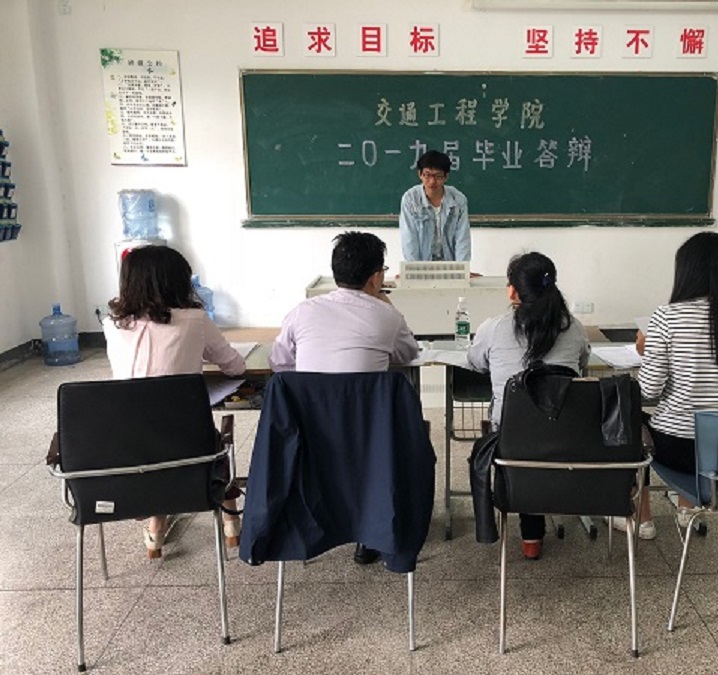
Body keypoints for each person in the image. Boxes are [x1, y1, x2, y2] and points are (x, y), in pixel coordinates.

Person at [269, 231, 419, 564]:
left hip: (309, 443)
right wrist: (386, 305)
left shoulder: (301, 312)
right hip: (370, 446)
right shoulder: (387, 317)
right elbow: (409, 354)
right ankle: (370, 533)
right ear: (376, 277)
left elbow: (279, 364)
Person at [618, 231, 718, 539]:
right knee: (705, 423)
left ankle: (642, 520)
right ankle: (687, 508)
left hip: (676, 447)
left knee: (628, 421)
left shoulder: (667, 317)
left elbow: (648, 391)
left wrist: (647, 353)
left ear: (686, 271)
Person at [103, 245, 246, 559]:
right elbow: (235, 367)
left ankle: (156, 526)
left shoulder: (112, 325)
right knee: (210, 438)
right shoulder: (195, 319)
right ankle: (231, 521)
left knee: (152, 430)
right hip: (189, 446)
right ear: (178, 281)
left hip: (128, 448)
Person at [467, 252, 590, 560]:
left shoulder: (493, 328)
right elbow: (582, 365)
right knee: (539, 428)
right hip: (564, 437)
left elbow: (475, 362)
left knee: (523, 430)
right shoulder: (574, 328)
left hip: (510, 443)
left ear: (513, 291)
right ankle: (534, 533)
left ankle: (531, 537)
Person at [399, 150, 471, 262]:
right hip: (421, 264)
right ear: (420, 174)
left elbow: (462, 238)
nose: (432, 181)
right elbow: (409, 238)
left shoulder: (458, 200)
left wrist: (462, 268)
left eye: (438, 176)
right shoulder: (410, 199)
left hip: (450, 264)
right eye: (427, 175)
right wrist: (413, 268)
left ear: (446, 176)